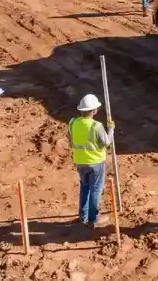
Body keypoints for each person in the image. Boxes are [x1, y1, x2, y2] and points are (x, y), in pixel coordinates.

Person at [69, 94, 115, 228]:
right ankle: (93, 219)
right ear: (94, 111)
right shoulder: (97, 126)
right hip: (95, 162)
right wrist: (111, 130)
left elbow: (71, 141)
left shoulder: (73, 123)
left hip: (80, 161)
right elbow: (106, 142)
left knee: (84, 187)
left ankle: (83, 216)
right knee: (95, 189)